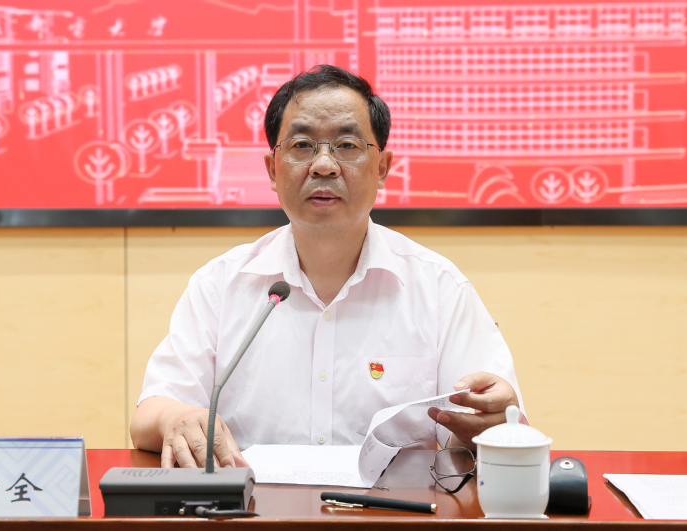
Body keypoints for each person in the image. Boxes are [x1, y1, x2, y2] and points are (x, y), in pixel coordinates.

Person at [130, 65, 525, 469]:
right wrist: (174, 417)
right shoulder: (220, 285)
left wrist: (490, 424)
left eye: (347, 145)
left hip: (392, 505)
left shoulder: (439, 288)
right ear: (272, 169)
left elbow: (491, 423)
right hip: (252, 504)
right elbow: (149, 415)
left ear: (382, 168)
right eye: (302, 145)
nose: (323, 165)